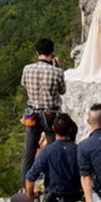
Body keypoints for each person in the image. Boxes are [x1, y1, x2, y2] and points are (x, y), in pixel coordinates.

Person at [7, 115, 82, 202]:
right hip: (75, 197)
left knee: (15, 200)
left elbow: (29, 178)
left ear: (53, 128)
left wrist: (31, 195)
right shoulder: (78, 150)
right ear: (70, 130)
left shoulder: (47, 151)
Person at [20, 38, 66, 188]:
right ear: (52, 53)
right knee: (54, 151)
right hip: (50, 115)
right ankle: (54, 186)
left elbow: (24, 85)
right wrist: (57, 66)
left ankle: (25, 188)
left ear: (37, 53)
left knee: (29, 154)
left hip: (32, 114)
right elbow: (62, 91)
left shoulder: (27, 68)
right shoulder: (57, 72)